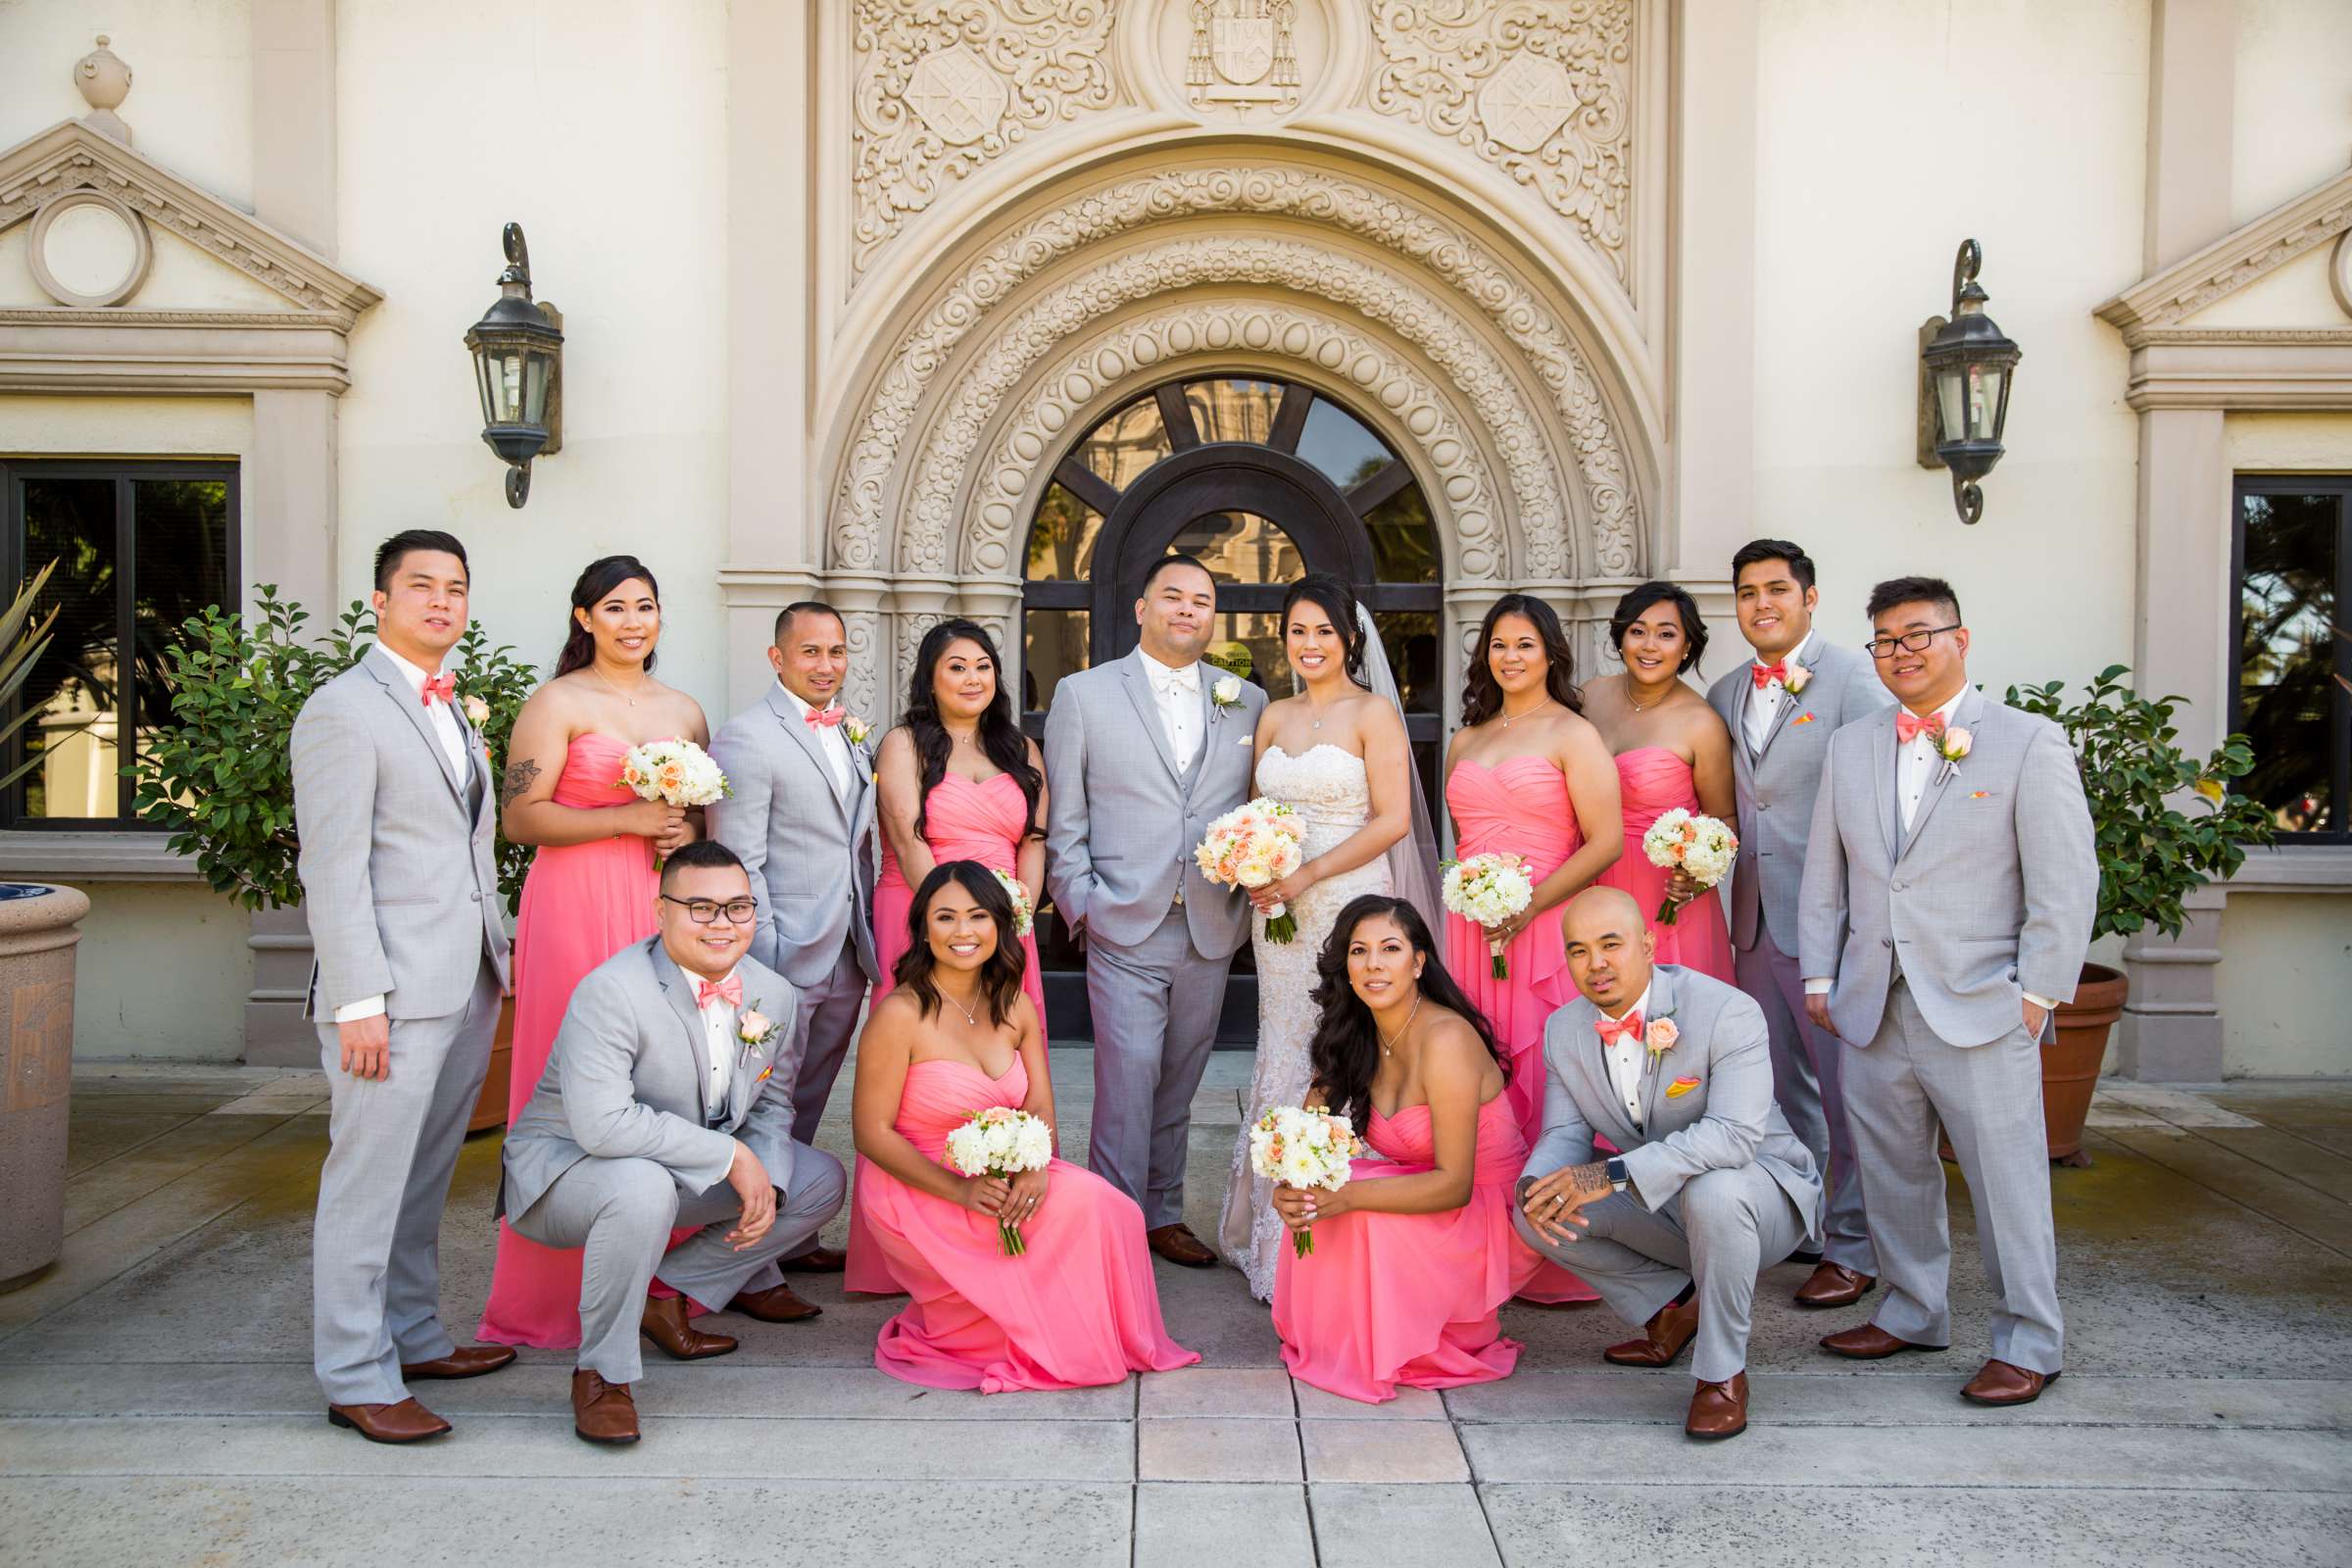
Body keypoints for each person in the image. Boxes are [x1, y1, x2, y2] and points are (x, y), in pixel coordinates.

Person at [1799, 576, 2096, 1407]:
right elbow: (1828, 872)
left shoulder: (2027, 742)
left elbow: (2066, 882)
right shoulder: (1852, 744)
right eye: (1886, 640)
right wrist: (1821, 975)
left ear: (1960, 639)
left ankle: (2029, 1339)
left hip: (1981, 999)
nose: (1902, 651)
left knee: (2006, 1184)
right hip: (1871, 1001)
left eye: (1918, 634)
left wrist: (2036, 994)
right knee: (1893, 1172)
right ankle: (1912, 1307)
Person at [500, 841, 845, 1444]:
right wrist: (730, 1156)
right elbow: (602, 1125)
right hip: (567, 1174)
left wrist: (765, 1176)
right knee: (640, 1184)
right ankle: (602, 1375)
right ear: (661, 912)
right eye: (701, 907)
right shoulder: (613, 990)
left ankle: (665, 1294)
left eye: (738, 908)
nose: (722, 924)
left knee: (814, 1181)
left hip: (672, 1173)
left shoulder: (774, 994)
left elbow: (771, 1102)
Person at [292, 529, 514, 1444]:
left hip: (463, 980)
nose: (441, 602)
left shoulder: (452, 709)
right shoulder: (343, 710)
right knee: (366, 1184)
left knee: (424, 1179)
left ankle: (416, 1335)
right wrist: (357, 1004)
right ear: (379, 601)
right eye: (420, 586)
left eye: (455, 588)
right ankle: (354, 1374)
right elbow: (333, 866)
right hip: (386, 996)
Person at [478, 555, 712, 1348]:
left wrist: (681, 830)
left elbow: (697, 825)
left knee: (667, 1076)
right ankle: (550, 1293)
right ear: (584, 619)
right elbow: (520, 818)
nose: (633, 621)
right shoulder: (557, 702)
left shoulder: (683, 710)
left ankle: (659, 1288)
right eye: (615, 608)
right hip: (576, 902)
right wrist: (626, 821)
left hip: (659, 907)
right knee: (575, 1076)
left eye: (645, 606)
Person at [852, 861, 1199, 1392]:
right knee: (1056, 1246)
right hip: (920, 1187)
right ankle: (1013, 1322)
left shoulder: (1015, 1004)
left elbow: (1038, 1104)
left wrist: (1037, 1168)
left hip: (1011, 1170)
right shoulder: (899, 1014)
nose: (963, 932)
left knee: (1112, 1208)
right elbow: (871, 1134)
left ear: (1000, 925)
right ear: (923, 927)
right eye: (946, 917)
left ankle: (1095, 1328)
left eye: (978, 916)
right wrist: (962, 1190)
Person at [1514, 888, 1822, 1441]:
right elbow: (1564, 1132)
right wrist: (1538, 1182)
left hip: (1761, 1197)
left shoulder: (1726, 1010)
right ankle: (1673, 1310)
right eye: (1579, 951)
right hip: (1665, 1202)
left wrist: (1607, 1174)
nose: (1596, 964)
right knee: (1536, 1208)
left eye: (1611, 944)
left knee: (1715, 1192)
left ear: (1649, 944)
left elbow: (1734, 1136)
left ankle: (1721, 1373)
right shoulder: (1564, 1029)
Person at [1044, 555, 1267, 1267]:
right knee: (1127, 1079)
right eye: (1172, 595)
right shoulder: (1082, 694)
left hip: (1209, 923)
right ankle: (1111, 1228)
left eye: (1201, 601)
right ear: (1141, 607)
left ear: (1212, 617)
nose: (1186, 610)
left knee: (1181, 1077)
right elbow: (1066, 817)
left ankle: (1162, 1213)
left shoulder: (1247, 700)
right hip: (1123, 918)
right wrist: (1082, 902)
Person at [1217, 574, 1432, 1301]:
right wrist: (1250, 860)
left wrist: (1307, 874)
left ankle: (1338, 1232)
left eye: (1323, 632)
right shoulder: (1273, 716)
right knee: (1282, 1045)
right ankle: (1275, 1235)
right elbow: (1255, 811)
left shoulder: (1373, 714)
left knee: (1339, 1046)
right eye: (1297, 632)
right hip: (1277, 912)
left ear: (1349, 639)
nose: (1310, 645)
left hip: (1347, 900)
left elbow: (1393, 818)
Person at [1701, 539, 1890, 1309]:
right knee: (1780, 1092)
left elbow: (1880, 806)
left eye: (1777, 589)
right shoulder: (1722, 692)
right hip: (1751, 921)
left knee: (1853, 1095)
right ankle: (1809, 1222)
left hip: (1832, 927)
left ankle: (1858, 1246)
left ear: (1810, 597)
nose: (1762, 604)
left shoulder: (1856, 680)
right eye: (1747, 592)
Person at [1270, 896, 1545, 1403]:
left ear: (1418, 962)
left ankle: (1434, 1334)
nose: (1374, 964)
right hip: (1425, 1186)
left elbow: (1454, 1184)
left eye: (1390, 949)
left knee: (1355, 1200)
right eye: (1359, 951)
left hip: (1483, 1211)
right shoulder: (1353, 1033)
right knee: (1323, 1189)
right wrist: (1290, 1184)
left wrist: (1347, 1196)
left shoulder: (1446, 1039)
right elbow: (1305, 1137)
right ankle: (1338, 1335)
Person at [850, 619, 1050, 1295]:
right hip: (921, 905)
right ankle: (903, 1246)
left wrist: (1017, 913)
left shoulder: (1021, 748)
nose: (971, 678)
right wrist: (947, 917)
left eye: (983, 666)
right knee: (917, 1071)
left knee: (1004, 1064)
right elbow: (906, 836)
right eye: (956, 666)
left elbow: (1035, 841)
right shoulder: (905, 743)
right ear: (931, 677)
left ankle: (1006, 1213)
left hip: (1002, 924)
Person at [1441, 595, 1617, 1306]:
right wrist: (1477, 900)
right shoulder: (1467, 738)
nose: (1510, 658)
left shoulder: (1574, 734)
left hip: (1543, 925)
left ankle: (1554, 1246)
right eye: (1499, 645)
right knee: (1477, 1069)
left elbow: (1603, 842)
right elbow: (1461, 841)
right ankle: (1486, 1231)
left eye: (1525, 645)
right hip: (1474, 930)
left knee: (1547, 1068)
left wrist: (1529, 906)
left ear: (1551, 654)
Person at [708, 601, 882, 1272]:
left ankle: (793, 1230)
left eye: (836, 651)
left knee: (808, 1100)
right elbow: (741, 862)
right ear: (777, 657)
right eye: (810, 652)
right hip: (782, 957)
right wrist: (764, 957)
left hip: (845, 952)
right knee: (763, 1108)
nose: (826, 664)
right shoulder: (748, 737)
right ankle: (753, 1267)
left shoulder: (852, 734)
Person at [1585, 581, 1738, 982]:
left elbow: (1724, 819)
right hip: (1592, 878)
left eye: (1666, 634)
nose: (1650, 645)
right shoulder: (1588, 698)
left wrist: (1697, 879)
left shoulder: (1701, 723)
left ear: (1686, 647)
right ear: (1620, 639)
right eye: (1638, 631)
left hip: (1664, 894)